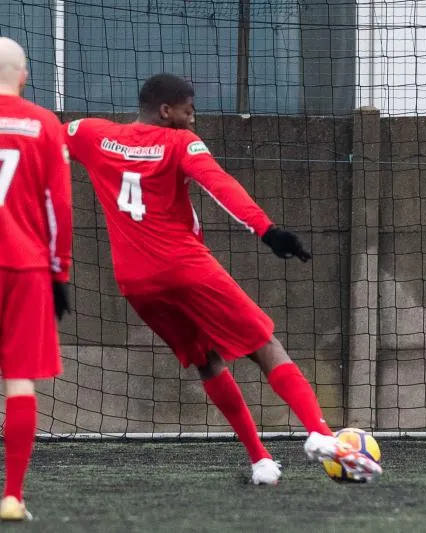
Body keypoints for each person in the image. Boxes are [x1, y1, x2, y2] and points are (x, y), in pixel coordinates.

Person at [64, 73, 381, 483]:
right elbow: (219, 184)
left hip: (136, 283)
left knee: (205, 360)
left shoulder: (92, 133)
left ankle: (261, 462)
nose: (192, 121)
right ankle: (319, 434)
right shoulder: (178, 142)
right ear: (167, 111)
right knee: (266, 344)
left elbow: (44, 139)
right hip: (184, 266)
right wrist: (268, 231)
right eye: (188, 111)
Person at [0, 37, 73, 520]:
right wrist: (59, 270)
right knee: (19, 378)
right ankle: (12, 497)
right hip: (23, 267)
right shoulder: (45, 124)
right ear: (25, 75)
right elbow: (59, 207)